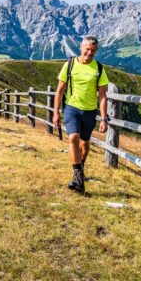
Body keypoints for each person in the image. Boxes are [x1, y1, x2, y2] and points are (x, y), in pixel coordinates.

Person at [52, 36, 109, 194]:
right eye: (87, 49)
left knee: (84, 144)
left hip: (90, 111)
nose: (90, 53)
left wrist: (104, 118)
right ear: (81, 48)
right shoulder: (69, 65)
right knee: (73, 138)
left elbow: (103, 96)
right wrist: (55, 112)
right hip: (72, 108)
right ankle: (78, 176)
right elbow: (59, 91)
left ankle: (79, 170)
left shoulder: (98, 68)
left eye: (93, 51)